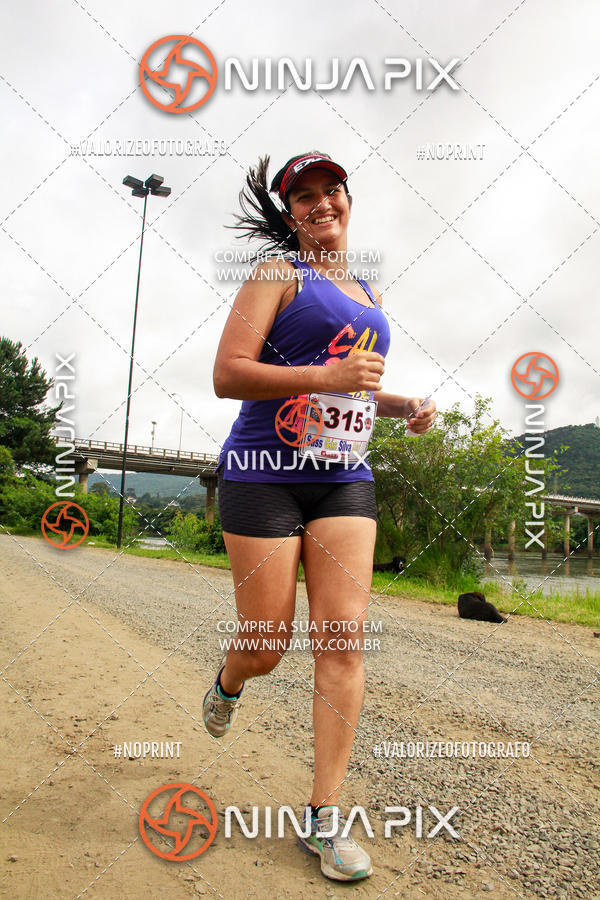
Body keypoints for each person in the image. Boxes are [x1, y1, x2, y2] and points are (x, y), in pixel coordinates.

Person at [203, 151, 436, 882]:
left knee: (342, 643)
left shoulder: (365, 288)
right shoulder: (276, 275)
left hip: (343, 479)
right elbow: (227, 373)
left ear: (347, 198)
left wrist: (402, 405)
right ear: (289, 213)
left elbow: (351, 385)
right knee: (268, 643)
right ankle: (231, 680)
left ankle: (324, 818)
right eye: (302, 196)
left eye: (330, 189)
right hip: (263, 473)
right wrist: (324, 378)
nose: (320, 202)